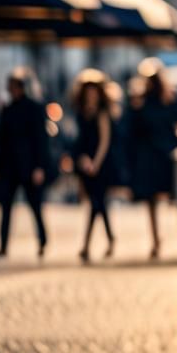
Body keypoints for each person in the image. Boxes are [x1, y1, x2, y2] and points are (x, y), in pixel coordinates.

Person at [125, 66, 177, 259]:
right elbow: (131, 131)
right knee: (153, 200)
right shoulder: (143, 103)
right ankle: (157, 240)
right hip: (152, 158)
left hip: (167, 157)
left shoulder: (171, 100)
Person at [0, 67, 51, 258]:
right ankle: (3, 244)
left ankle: (43, 240)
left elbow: (41, 140)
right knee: (6, 207)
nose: (12, 90)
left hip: (29, 165)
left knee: (35, 205)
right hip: (10, 166)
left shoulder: (34, 109)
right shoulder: (7, 110)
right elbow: (1, 140)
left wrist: (40, 166)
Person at [73, 75, 115, 263]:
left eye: (94, 93)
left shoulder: (102, 113)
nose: (91, 96)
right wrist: (82, 159)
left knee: (97, 204)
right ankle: (110, 239)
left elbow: (105, 140)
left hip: (101, 165)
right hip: (86, 163)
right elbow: (79, 140)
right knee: (98, 204)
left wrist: (96, 163)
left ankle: (86, 245)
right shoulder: (81, 113)